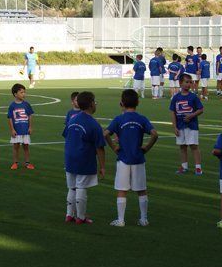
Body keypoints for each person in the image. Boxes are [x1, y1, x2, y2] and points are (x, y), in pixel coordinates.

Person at [104, 89, 158, 227]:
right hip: (138, 158)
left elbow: (105, 134)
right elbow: (154, 134)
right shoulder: (142, 119)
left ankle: (121, 220)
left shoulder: (119, 119)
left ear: (121, 103)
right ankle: (144, 219)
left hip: (123, 158)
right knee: (141, 189)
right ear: (138, 102)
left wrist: (114, 147)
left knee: (122, 190)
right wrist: (146, 148)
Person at [63, 91, 106, 225]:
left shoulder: (72, 119)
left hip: (69, 157)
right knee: (81, 187)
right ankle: (80, 217)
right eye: (95, 101)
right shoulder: (94, 124)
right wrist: (103, 166)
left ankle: (69, 214)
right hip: (84, 158)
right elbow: (100, 147)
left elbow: (66, 135)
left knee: (72, 187)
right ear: (91, 104)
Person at [170, 73, 204, 176]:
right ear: (180, 83)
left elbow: (201, 109)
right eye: (186, 82)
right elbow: (172, 112)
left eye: (190, 82)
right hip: (180, 126)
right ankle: (184, 167)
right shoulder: (176, 97)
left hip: (191, 126)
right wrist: (174, 126)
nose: (189, 84)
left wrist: (192, 115)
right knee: (182, 147)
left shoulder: (193, 97)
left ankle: (198, 168)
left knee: (194, 146)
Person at [7, 83, 35, 170]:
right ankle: (15, 163)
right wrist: (12, 130)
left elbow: (30, 115)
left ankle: (27, 163)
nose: (24, 94)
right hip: (17, 130)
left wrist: (30, 127)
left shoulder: (26, 104)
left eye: (24, 92)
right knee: (16, 147)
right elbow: (10, 118)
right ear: (15, 94)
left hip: (25, 130)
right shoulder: (12, 106)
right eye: (21, 92)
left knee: (26, 147)